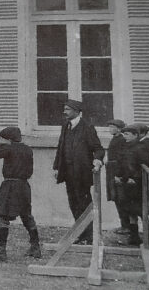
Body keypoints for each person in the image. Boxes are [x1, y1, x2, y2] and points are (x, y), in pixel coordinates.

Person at [0, 127, 41, 262]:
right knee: (26, 216)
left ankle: (1, 252)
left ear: (9, 139)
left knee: (2, 216)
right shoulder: (27, 149)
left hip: (10, 186)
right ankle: (35, 248)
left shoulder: (9, 148)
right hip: (24, 186)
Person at [53, 99, 105, 245]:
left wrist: (97, 160)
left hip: (82, 174)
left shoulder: (87, 127)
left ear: (77, 111)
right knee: (73, 203)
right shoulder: (65, 125)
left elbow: (98, 149)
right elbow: (60, 146)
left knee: (84, 203)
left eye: (68, 109)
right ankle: (80, 234)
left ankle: (89, 236)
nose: (64, 112)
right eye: (64, 109)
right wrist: (57, 167)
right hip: (68, 173)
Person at [117, 125, 144, 245]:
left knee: (141, 211)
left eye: (127, 134)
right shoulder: (126, 147)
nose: (125, 136)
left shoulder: (139, 147)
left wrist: (129, 178)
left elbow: (140, 166)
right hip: (127, 182)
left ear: (135, 135)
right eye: (124, 134)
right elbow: (123, 164)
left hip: (136, 183)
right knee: (130, 211)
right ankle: (134, 237)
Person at [105, 119, 129, 235]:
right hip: (112, 171)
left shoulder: (122, 140)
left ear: (119, 129)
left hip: (117, 173)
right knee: (117, 199)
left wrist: (118, 174)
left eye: (112, 126)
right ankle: (124, 225)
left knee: (121, 199)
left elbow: (122, 159)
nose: (110, 129)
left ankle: (126, 226)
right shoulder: (115, 139)